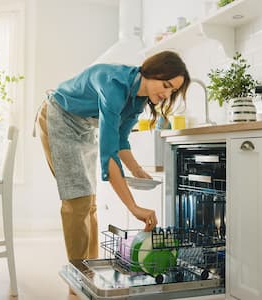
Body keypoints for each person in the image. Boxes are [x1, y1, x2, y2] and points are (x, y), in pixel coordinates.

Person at [36, 50, 190, 264]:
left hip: (83, 126)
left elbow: (120, 141)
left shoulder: (139, 100)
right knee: (77, 200)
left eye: (172, 91)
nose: (167, 95)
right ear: (152, 72)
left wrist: (136, 170)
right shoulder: (114, 86)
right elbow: (108, 156)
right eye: (166, 86)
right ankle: (78, 277)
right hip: (59, 117)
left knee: (89, 202)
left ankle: (90, 269)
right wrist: (133, 207)